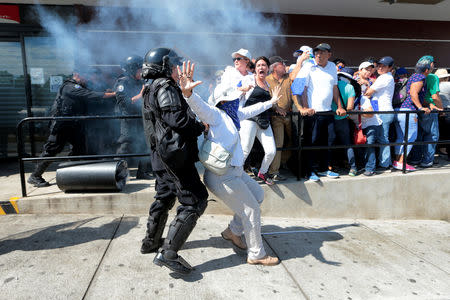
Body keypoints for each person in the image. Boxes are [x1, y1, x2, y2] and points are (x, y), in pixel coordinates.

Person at [179, 60, 281, 266]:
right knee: (251, 210)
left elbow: (253, 109)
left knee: (258, 195)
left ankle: (232, 232)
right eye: (235, 98)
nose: (239, 100)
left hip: (234, 172)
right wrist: (188, 94)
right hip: (221, 176)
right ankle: (256, 253)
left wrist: (272, 101)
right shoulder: (216, 115)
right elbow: (200, 107)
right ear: (225, 102)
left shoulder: (234, 116)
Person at [140, 47, 209, 275]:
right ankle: (169, 254)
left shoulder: (150, 86)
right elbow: (177, 119)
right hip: (173, 156)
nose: (176, 69)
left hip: (160, 155)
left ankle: (150, 242)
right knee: (195, 200)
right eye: (173, 66)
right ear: (164, 65)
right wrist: (200, 125)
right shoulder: (165, 86)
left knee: (164, 195)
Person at [27, 67, 116, 187]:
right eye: (85, 75)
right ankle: (35, 175)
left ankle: (71, 172)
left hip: (74, 124)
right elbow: (90, 95)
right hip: (62, 124)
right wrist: (113, 94)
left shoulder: (80, 86)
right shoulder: (69, 86)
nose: (87, 78)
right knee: (52, 150)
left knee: (79, 149)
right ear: (77, 75)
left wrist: (108, 91)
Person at [291, 42, 346, 181]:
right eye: (317, 53)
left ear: (329, 54)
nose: (319, 55)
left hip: (328, 112)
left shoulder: (333, 67)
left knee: (329, 141)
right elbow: (300, 88)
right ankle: (310, 171)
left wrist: (339, 106)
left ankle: (325, 168)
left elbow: (334, 88)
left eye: (322, 52)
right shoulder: (308, 66)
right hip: (313, 113)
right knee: (312, 143)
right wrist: (305, 107)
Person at [266, 55, 307, 181]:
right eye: (282, 64)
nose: (285, 66)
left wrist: (299, 107)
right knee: (278, 143)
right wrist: (276, 108)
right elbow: (267, 98)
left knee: (293, 142)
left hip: (290, 116)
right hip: (276, 117)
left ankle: (282, 163)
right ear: (274, 67)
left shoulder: (288, 78)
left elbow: (294, 94)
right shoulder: (267, 80)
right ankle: (274, 171)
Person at [239, 56, 277, 185]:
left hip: (263, 120)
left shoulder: (268, 84)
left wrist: (277, 107)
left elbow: (270, 102)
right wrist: (242, 90)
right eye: (259, 65)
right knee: (245, 150)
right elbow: (236, 91)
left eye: (264, 65)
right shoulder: (248, 79)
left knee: (271, 151)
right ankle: (235, 175)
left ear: (268, 68)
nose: (261, 67)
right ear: (255, 69)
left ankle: (262, 172)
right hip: (248, 119)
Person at [115, 55, 153, 179]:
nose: (141, 72)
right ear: (132, 69)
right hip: (128, 121)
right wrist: (141, 94)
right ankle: (115, 173)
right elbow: (124, 103)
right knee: (124, 147)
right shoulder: (122, 82)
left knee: (144, 145)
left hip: (141, 118)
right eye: (139, 69)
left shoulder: (141, 82)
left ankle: (143, 172)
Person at [393, 60, 431, 171]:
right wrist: (420, 108)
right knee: (411, 136)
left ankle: (398, 162)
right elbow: (414, 93)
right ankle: (401, 162)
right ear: (427, 70)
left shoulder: (412, 76)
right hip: (408, 110)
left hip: (399, 109)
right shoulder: (420, 78)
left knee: (401, 137)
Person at [409, 55, 443, 168]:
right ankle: (427, 160)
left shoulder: (415, 75)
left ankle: (415, 159)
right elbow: (435, 96)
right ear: (430, 64)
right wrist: (441, 109)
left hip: (417, 108)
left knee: (419, 134)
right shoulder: (432, 77)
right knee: (431, 135)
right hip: (430, 109)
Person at [364, 56, 395, 171]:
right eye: (379, 65)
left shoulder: (385, 78)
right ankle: (384, 163)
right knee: (382, 138)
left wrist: (365, 83)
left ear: (390, 68)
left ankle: (385, 164)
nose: (380, 68)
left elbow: (368, 93)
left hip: (384, 111)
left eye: (384, 66)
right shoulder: (385, 77)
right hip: (383, 111)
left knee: (383, 138)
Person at [333, 68, 358, 176]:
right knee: (347, 144)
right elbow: (350, 107)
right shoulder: (350, 87)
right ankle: (353, 168)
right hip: (343, 119)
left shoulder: (331, 86)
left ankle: (330, 167)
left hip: (329, 118)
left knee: (330, 144)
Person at [435, 68, 450, 160]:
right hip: (448, 110)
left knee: (442, 132)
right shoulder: (448, 85)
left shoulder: (436, 85)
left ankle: (441, 150)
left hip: (438, 111)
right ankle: (445, 152)